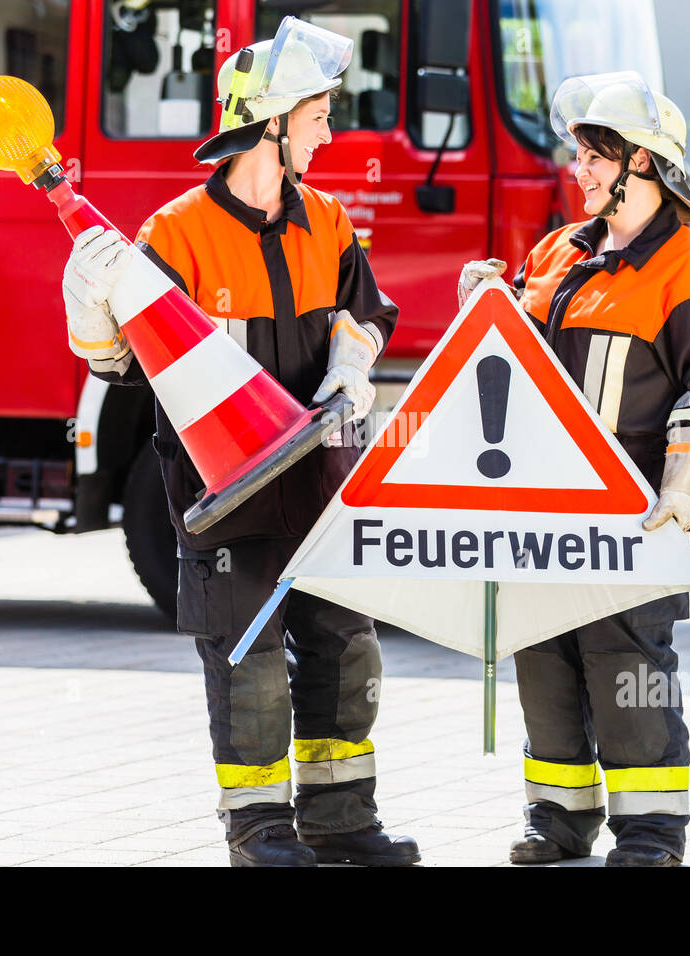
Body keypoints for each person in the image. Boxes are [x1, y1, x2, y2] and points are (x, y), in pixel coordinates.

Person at [61, 17, 418, 868]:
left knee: (346, 645)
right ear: (272, 123)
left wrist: (351, 361)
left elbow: (365, 311)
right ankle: (259, 829)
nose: (331, 132)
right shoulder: (175, 233)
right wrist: (90, 322)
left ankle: (340, 821)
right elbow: (130, 366)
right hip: (225, 487)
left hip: (319, 480)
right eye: (320, 114)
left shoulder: (326, 219)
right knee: (248, 652)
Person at [459, 71, 690, 866]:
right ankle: (558, 818)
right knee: (544, 662)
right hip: (541, 512)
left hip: (632, 518)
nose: (578, 171)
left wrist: (680, 492)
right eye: (580, 154)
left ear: (644, 166)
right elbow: (508, 359)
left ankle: (652, 831)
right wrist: (483, 304)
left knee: (628, 670)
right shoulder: (560, 251)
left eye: (596, 157)